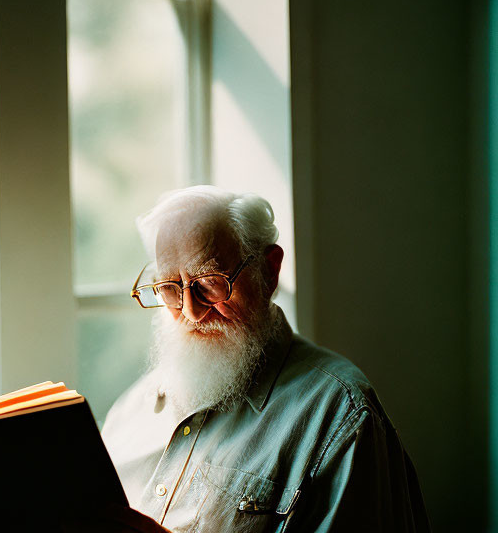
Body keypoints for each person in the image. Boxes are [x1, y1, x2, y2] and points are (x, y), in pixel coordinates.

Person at [101, 185, 429, 532]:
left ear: (269, 271)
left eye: (209, 284)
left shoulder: (342, 417)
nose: (192, 312)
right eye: (169, 287)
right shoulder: (131, 409)